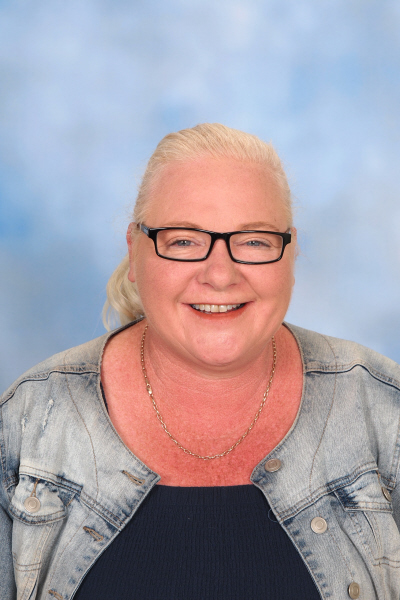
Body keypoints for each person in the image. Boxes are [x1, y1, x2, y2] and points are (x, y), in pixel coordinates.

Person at [1, 123, 399, 600]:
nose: (220, 275)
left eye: (254, 241)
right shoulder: (26, 424)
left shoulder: (384, 412)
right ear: (134, 250)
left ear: (290, 252)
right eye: (184, 240)